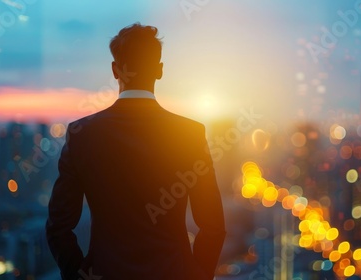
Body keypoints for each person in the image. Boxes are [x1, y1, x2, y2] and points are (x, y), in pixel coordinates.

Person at [46, 23, 226, 280]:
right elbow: (213, 226)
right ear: (160, 71)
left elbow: (58, 228)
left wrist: (79, 275)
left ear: (115, 70)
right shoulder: (189, 134)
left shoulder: (82, 134)